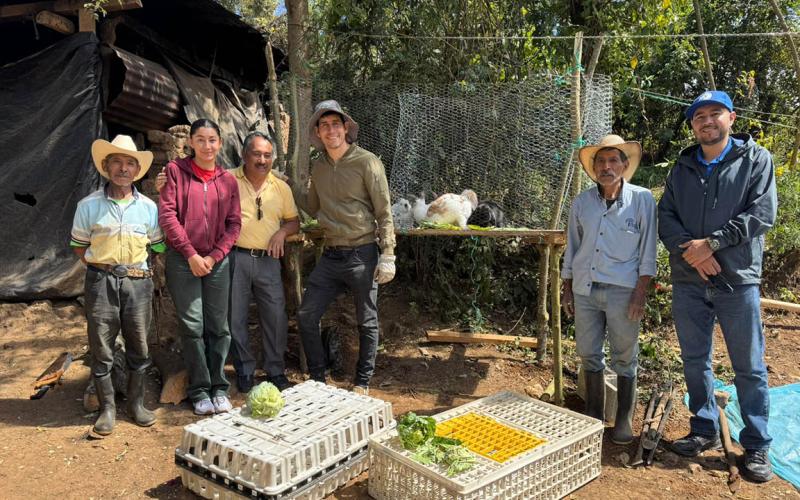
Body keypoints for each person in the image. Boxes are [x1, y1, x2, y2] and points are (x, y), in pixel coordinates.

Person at [658, 90, 777, 482]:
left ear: (731, 118)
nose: (707, 121)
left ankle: (756, 445)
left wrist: (712, 243)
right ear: (693, 125)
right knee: (695, 360)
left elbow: (762, 213)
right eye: (699, 117)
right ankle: (704, 428)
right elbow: (666, 216)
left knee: (749, 366)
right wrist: (693, 253)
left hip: (736, 281)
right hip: (689, 281)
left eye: (715, 113)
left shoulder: (755, 160)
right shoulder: (683, 167)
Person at [294, 100, 396, 395]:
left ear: (346, 127)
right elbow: (313, 206)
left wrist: (388, 253)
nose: (331, 130)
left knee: (367, 320)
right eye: (324, 125)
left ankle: (362, 382)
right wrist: (287, 183)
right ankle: (317, 380)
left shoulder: (367, 162)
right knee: (307, 315)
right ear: (317, 132)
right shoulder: (319, 166)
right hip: (331, 255)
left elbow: (384, 211)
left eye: (336, 124)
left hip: (363, 253)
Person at [562, 134, 657, 444]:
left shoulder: (642, 200)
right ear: (594, 168)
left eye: (613, 160)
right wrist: (567, 287)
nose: (606, 167)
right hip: (585, 289)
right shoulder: (582, 202)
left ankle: (623, 421)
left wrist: (641, 292)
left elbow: (648, 250)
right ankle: (593, 416)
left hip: (623, 291)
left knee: (625, 356)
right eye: (600, 161)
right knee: (588, 353)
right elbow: (573, 247)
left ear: (625, 165)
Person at [70, 134, 164, 435]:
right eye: (117, 162)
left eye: (130, 163)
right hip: (101, 282)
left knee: (139, 345)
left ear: (137, 170)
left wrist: (141, 269)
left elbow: (158, 245)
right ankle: (107, 408)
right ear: (106, 166)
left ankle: (136, 404)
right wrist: (102, 267)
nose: (123, 168)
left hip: (138, 283)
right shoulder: (88, 206)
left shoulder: (148, 207)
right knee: (102, 346)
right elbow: (78, 246)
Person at [158, 118, 242, 416]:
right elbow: (168, 215)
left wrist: (214, 256)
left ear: (220, 143)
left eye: (212, 140)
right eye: (201, 140)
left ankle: (219, 388)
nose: (207, 146)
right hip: (183, 260)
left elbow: (234, 224)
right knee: (193, 326)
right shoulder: (175, 172)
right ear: (191, 143)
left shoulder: (227, 180)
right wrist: (191, 254)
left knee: (219, 326)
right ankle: (199, 390)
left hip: (217, 262)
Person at [226, 132, 300, 393]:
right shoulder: (227, 180)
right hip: (235, 257)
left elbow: (294, 221)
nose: (262, 160)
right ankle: (244, 370)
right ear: (244, 155)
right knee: (235, 316)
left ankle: (275, 370)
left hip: (269, 260)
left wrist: (281, 232)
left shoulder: (280, 187)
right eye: (256, 154)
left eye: (267, 155)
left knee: (276, 315)